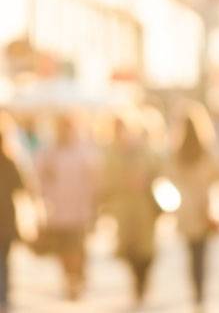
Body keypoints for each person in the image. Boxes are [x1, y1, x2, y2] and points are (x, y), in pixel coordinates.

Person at [165, 107, 219, 311]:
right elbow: (217, 175)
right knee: (202, 253)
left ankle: (196, 290)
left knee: (192, 253)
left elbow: (170, 177)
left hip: (186, 211)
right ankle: (200, 292)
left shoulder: (177, 153)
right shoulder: (206, 150)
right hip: (204, 208)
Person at [35, 114, 100, 300]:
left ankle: (77, 278)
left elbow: (93, 179)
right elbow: (41, 177)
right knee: (63, 248)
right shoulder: (50, 152)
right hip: (59, 211)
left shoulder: (83, 151)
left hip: (79, 210)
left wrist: (92, 202)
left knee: (78, 247)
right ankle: (69, 279)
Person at [102, 117, 160, 305]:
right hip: (125, 208)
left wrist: (146, 181)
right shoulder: (112, 152)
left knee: (146, 250)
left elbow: (158, 170)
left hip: (145, 207)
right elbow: (107, 179)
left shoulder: (144, 150)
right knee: (129, 250)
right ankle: (137, 284)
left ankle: (142, 283)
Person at [0, 132, 25, 313]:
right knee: (5, 260)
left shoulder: (9, 162)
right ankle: (4, 295)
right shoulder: (9, 162)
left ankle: (4, 295)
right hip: (7, 219)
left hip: (6, 219)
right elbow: (21, 187)